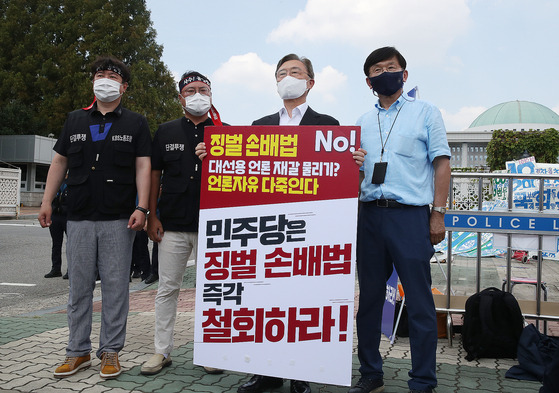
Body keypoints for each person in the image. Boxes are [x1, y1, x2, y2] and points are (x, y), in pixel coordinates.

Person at [196, 53, 355, 393]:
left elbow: (337, 175)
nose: (287, 77)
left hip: (311, 227)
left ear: (310, 82)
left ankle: (300, 374)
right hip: (268, 228)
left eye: (295, 72)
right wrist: (215, 157)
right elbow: (241, 173)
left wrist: (353, 160)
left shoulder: (328, 124)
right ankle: (265, 373)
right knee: (265, 300)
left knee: (301, 298)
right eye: (281, 73)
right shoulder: (260, 125)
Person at [38, 56, 151, 380]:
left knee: (116, 288)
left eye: (112, 77)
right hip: (79, 217)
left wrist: (141, 207)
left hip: (118, 218)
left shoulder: (135, 123)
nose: (105, 80)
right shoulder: (75, 120)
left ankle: (110, 352)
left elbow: (143, 166)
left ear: (124, 86)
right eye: (99, 75)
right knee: (79, 288)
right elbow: (59, 162)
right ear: (93, 82)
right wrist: (47, 201)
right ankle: (77, 352)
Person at [350, 46, 450, 393]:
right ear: (368, 81)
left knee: (420, 301)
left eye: (390, 68)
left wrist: (437, 214)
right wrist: (354, 163)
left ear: (404, 74)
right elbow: (349, 174)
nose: (384, 74)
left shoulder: (426, 112)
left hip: (410, 218)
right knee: (370, 301)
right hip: (370, 218)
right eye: (376, 70)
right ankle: (370, 372)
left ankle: (422, 379)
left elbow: (441, 163)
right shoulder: (361, 122)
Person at [140, 71, 223, 376]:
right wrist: (152, 215)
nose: (197, 95)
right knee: (167, 288)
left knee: (212, 290)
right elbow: (154, 176)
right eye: (190, 90)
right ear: (180, 98)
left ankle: (212, 350)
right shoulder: (165, 131)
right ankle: (161, 351)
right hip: (171, 222)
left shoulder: (227, 132)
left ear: (212, 95)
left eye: (203, 89)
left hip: (214, 224)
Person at [44, 179, 68, 278]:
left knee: (71, 245)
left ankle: (71, 269)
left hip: (68, 215)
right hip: (55, 215)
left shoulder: (72, 181)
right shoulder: (56, 183)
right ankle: (56, 269)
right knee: (56, 244)